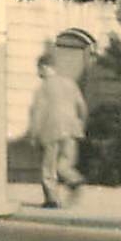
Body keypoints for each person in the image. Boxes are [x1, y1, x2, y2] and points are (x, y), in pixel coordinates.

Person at [28, 51, 87, 208]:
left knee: (48, 167)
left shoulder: (42, 88)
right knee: (65, 164)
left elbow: (37, 113)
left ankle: (52, 200)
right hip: (72, 130)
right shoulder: (70, 83)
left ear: (45, 67)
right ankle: (74, 179)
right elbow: (82, 106)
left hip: (50, 131)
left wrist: (33, 135)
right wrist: (80, 124)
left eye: (39, 68)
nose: (38, 72)